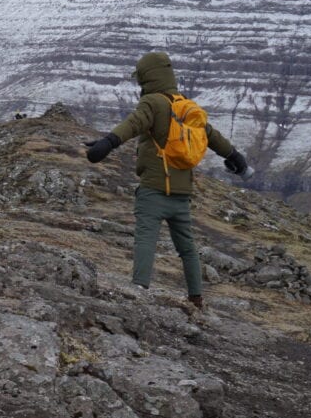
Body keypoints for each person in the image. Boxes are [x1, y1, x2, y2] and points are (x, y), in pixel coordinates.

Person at [83, 51, 248, 309]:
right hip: (182, 194)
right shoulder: (186, 107)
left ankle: (139, 289)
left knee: (146, 239)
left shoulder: (153, 103)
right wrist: (235, 156)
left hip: (154, 191)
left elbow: (134, 124)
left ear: (146, 77)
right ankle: (196, 298)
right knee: (187, 248)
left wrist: (108, 142)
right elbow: (212, 136)